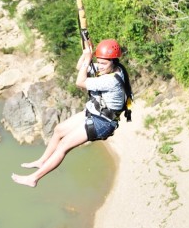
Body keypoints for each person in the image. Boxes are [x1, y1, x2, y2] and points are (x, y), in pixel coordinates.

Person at [11, 38, 132, 188]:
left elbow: (79, 82)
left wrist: (89, 58)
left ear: (113, 61)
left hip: (103, 122)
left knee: (64, 145)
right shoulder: (109, 68)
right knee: (58, 130)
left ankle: (33, 178)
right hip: (94, 112)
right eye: (98, 62)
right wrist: (85, 54)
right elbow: (79, 67)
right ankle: (42, 161)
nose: (100, 66)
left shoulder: (111, 80)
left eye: (103, 63)